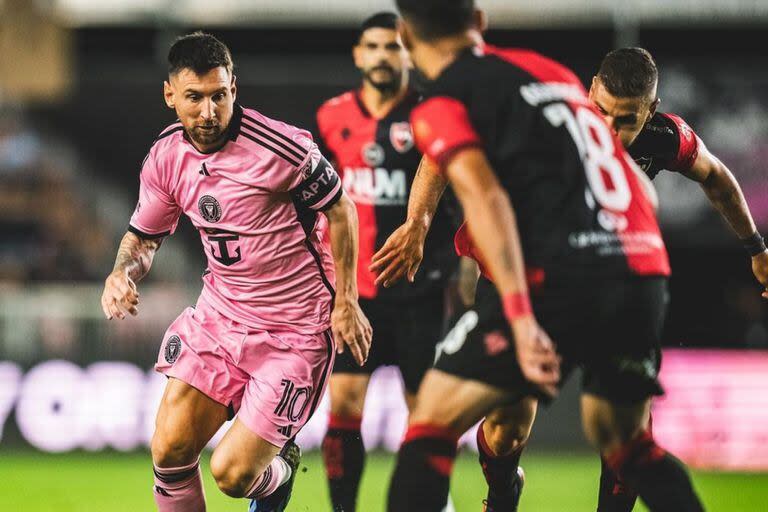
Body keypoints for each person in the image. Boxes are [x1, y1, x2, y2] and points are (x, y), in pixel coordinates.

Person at [382, 1, 707, 510]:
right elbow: (647, 196)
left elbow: (488, 200)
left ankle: (501, 493)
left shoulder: (450, 100)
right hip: (638, 267)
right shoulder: (550, 74)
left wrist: (517, 313)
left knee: (431, 425)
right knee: (627, 441)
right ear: (480, 23)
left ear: (404, 35)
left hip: (550, 277)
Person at [100, 32, 371, 512]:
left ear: (234, 89)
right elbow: (143, 238)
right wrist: (122, 273)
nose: (208, 113)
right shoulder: (166, 157)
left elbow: (342, 210)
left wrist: (346, 301)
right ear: (169, 95)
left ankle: (280, 472)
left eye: (218, 96)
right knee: (169, 449)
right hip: (221, 319)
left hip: (295, 329)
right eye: (194, 98)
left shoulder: (280, 147)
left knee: (233, 474)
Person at [314, 12, 458, 511]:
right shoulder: (330, 117)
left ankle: (427, 502)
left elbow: (457, 196)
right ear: (358, 54)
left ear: (408, 53)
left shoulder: (430, 113)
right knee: (345, 402)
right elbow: (315, 205)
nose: (382, 55)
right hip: (355, 296)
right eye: (373, 46)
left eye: (393, 46)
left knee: (424, 413)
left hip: (420, 290)